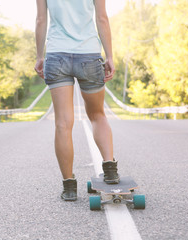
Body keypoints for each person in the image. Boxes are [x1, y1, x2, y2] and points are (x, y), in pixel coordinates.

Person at [34, 0, 120, 201]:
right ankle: (109, 169)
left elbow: (40, 20)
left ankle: (69, 187)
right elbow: (102, 18)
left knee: (63, 123)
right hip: (88, 54)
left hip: (57, 55)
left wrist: (39, 56)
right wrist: (109, 56)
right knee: (98, 115)